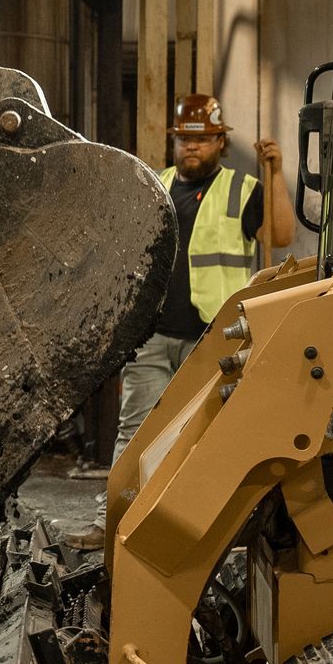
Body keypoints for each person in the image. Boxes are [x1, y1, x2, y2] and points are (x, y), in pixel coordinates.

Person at [112, 94, 295, 463]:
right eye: (183, 139)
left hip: (212, 336)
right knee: (136, 431)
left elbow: (280, 237)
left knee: (207, 429)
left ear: (220, 143)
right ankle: (115, 521)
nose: (191, 146)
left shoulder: (243, 190)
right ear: (174, 142)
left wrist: (274, 173)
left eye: (202, 138)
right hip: (151, 336)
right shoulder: (154, 184)